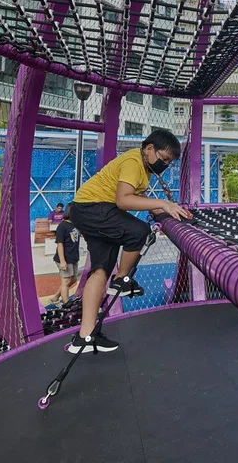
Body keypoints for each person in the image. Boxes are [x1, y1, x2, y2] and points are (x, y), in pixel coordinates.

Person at [67, 129, 191, 354]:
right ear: (149, 148)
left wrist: (168, 209)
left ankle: (84, 337)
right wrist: (163, 204)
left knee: (99, 271)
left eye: (169, 162)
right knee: (138, 231)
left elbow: (139, 197)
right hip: (93, 208)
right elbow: (124, 200)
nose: (165, 165)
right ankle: (121, 280)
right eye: (163, 159)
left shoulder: (144, 166)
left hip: (89, 210)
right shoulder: (134, 161)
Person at [48, 205, 80, 307]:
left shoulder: (76, 224)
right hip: (64, 258)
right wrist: (62, 261)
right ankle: (66, 304)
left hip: (73, 257)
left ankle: (55, 297)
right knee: (66, 281)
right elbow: (60, 244)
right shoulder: (62, 226)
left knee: (73, 279)